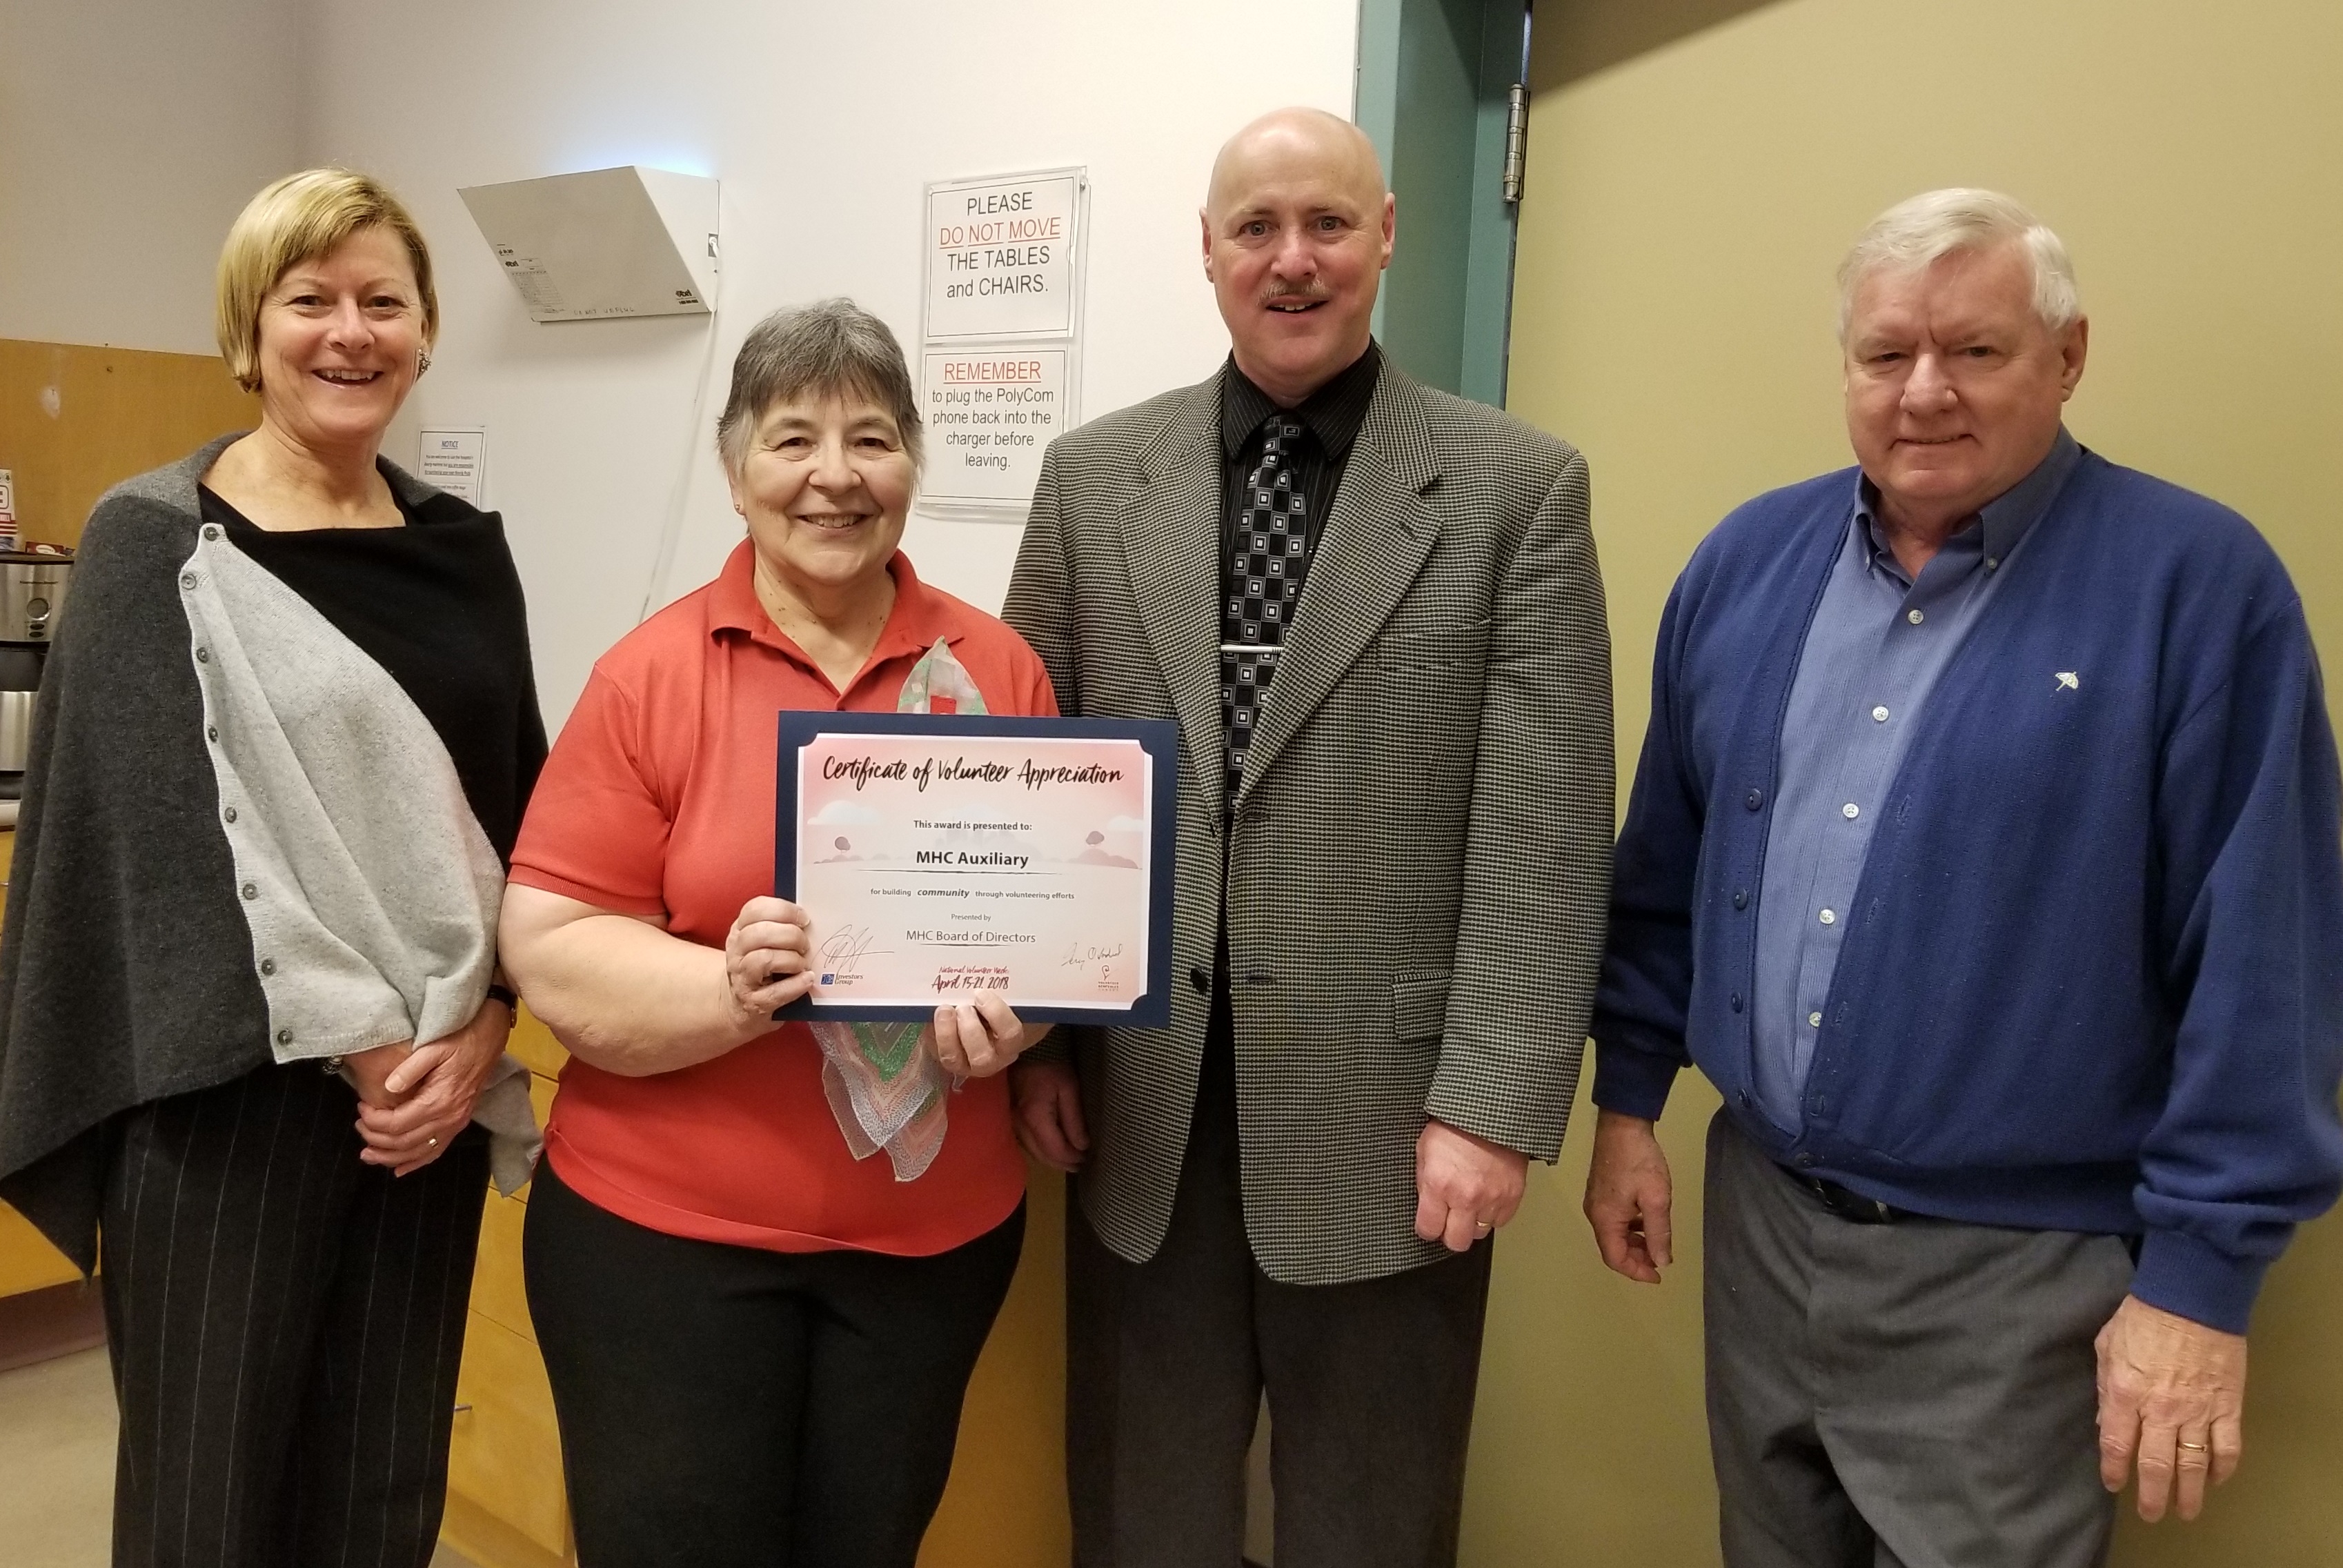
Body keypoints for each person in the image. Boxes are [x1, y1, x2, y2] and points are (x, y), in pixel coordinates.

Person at [1583, 188, 2343, 1567]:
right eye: (1886, 354)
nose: (1923, 390)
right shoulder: (1747, 563)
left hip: (2017, 1277)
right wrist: (1629, 1101)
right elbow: (1667, 865)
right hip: (1762, 1231)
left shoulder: (2198, 589)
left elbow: (2266, 964)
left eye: (1975, 351)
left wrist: (2200, 1282)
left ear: (2069, 356)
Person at [1002, 107, 1614, 1567]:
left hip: (1393, 1132)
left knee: (1372, 1521)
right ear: (1208, 253)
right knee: (1142, 1519)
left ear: (1385, 235)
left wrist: (1493, 1105)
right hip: (1141, 1115)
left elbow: (1545, 830)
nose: (1294, 260)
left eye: (1328, 224)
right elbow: (1036, 778)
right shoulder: (1093, 478)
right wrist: (1039, 1044)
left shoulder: (1516, 488)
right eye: (1257, 229)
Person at [0, 168, 546, 1567]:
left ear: (426, 332)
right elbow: (156, 856)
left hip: (423, 1099)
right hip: (224, 1102)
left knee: (381, 1491)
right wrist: (365, 1044)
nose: (349, 333)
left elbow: (517, 821)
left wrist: (487, 1023)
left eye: (383, 302)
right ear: (250, 329)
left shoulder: (462, 554)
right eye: (310, 300)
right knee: (208, 1502)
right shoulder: (153, 541)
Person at [498, 298, 1054, 1568]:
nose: (834, 476)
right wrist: (731, 989)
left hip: (927, 1250)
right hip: (661, 1249)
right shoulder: (651, 674)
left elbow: (1048, 921)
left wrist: (1024, 1020)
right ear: (735, 467)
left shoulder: (1000, 670)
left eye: (873, 438)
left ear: (912, 461)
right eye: (793, 438)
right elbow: (553, 937)